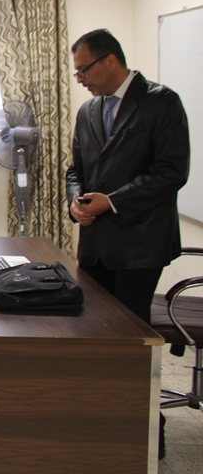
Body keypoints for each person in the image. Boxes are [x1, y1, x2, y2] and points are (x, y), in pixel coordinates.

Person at [66, 29, 190, 324]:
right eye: (77, 73)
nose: (80, 79)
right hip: (95, 245)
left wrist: (112, 202)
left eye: (83, 70)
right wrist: (76, 202)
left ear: (110, 61)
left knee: (129, 330)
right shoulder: (88, 110)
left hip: (140, 245)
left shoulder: (161, 102)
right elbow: (76, 170)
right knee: (92, 326)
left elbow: (171, 171)